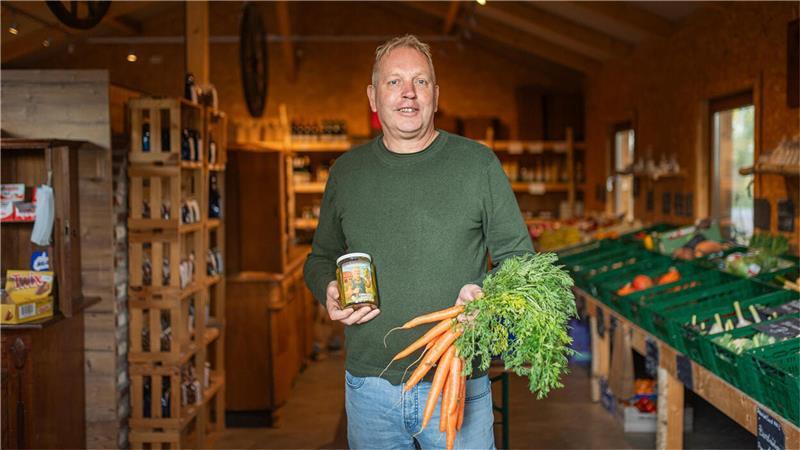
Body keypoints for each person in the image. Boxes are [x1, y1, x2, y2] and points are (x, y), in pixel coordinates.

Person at [303, 34, 533, 449]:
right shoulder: (347, 173)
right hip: (370, 387)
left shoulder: (477, 164)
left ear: (435, 96)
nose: (408, 92)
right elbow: (320, 257)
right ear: (373, 97)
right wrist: (328, 288)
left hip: (458, 377)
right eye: (394, 82)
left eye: (420, 81)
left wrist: (487, 294)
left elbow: (520, 259)